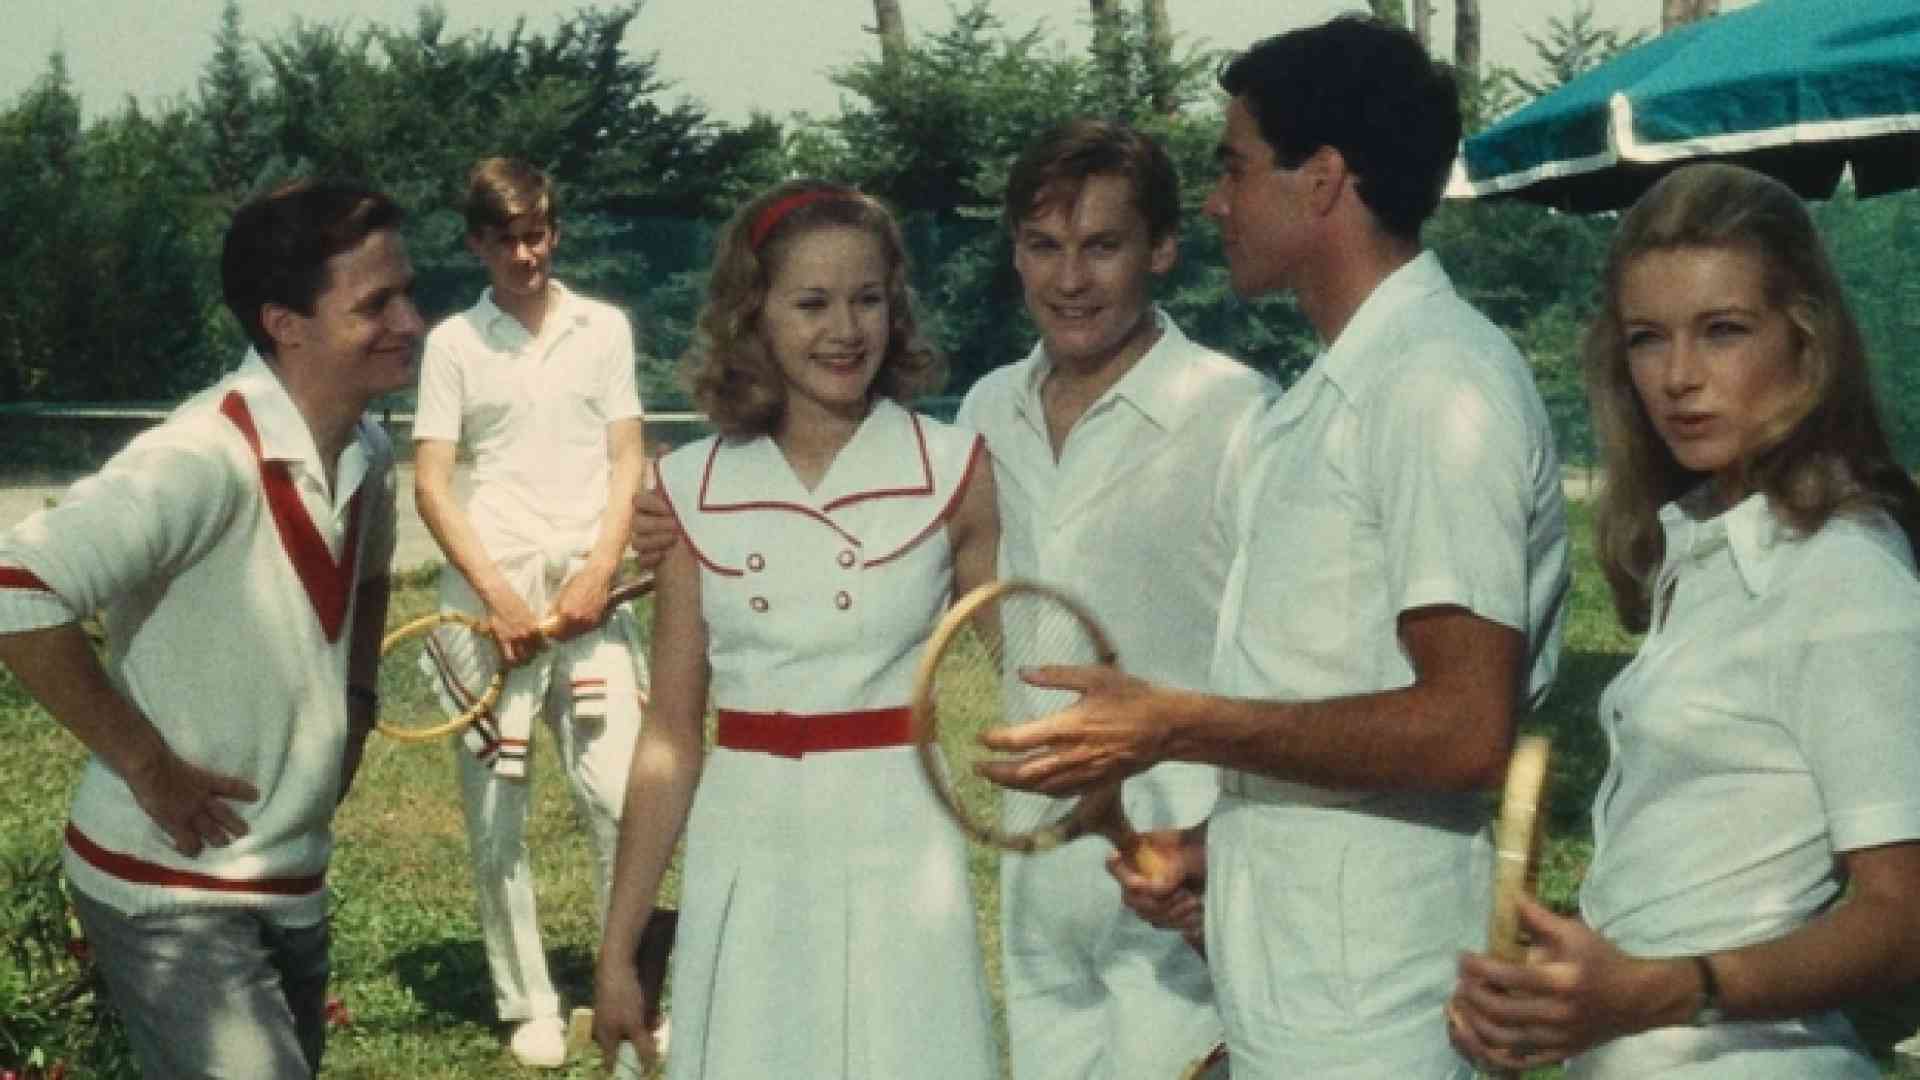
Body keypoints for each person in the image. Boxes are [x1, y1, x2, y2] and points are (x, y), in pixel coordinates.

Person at [979, 16, 1571, 1078]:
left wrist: (1175, 723)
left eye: (1235, 168)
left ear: (1323, 180)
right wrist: (1216, 850)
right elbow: (1323, 694)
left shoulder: (1439, 386)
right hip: (1286, 984)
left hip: (1379, 1009)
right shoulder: (1325, 400)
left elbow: (1465, 728)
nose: (1217, 202)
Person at [1447, 163, 1920, 1078]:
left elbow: (1903, 919)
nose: (1678, 378)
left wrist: (1667, 988)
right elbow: (1701, 873)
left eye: (1723, 331)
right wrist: (1568, 983)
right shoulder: (1705, 550)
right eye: (1646, 339)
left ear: (1808, 341)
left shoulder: (1844, 576)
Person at [0, 179, 419, 1078]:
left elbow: (372, 573)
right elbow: (16, 588)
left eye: (407, 295)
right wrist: (147, 765)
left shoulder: (369, 451)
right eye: (375, 304)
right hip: (169, 884)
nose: (410, 322)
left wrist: (357, 698)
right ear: (285, 323)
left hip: (289, 874)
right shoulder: (200, 457)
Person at [591, 180, 1001, 1078]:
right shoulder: (691, 486)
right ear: (755, 316)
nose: (844, 330)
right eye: (812, 304)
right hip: (752, 844)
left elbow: (1034, 670)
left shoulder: (953, 468)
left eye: (868, 300)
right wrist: (620, 944)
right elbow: (670, 736)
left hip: (901, 842)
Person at [955, 118, 1266, 1079]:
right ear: (1015, 252)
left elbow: (1290, 658)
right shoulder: (985, 410)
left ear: (1161, 249)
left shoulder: (1239, 413)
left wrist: (1221, 851)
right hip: (1043, 872)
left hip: (1182, 864)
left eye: (1102, 246)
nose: (1070, 279)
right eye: (1043, 246)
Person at [411, 157, 650, 1069]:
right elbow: (432, 486)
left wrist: (598, 572)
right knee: (497, 820)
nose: (526, 254)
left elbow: (627, 459)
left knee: (623, 801)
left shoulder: (604, 329)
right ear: (478, 244)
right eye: (506, 240)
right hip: (489, 613)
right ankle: (529, 1005)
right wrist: (501, 600)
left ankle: (625, 986)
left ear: (555, 229)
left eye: (538, 234)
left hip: (591, 604)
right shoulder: (452, 345)